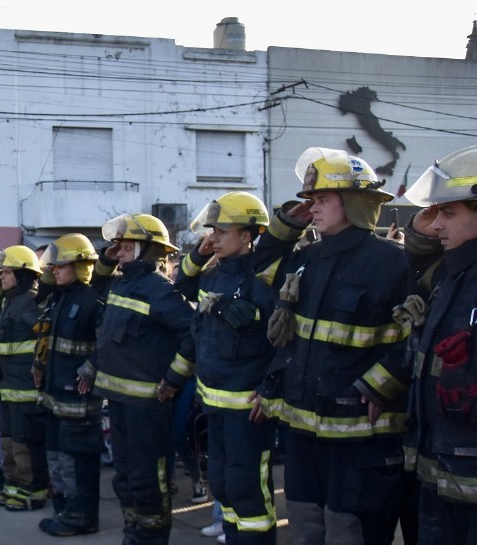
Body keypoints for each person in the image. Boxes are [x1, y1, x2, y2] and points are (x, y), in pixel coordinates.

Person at [254, 147, 410, 545]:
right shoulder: (309, 257)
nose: (314, 208)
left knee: (351, 528)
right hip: (305, 426)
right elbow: (261, 273)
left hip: (360, 432)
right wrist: (287, 226)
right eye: (312, 200)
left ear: (355, 202)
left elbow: (417, 337)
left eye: (322, 199)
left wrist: (381, 384)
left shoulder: (393, 262)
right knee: (305, 521)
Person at [175, 192, 279, 544]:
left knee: (247, 490)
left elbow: (282, 345)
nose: (213, 238)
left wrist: (269, 391)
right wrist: (198, 254)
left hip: (248, 412)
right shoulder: (213, 276)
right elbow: (182, 283)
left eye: (221, 231)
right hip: (215, 407)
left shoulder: (263, 282)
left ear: (247, 235)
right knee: (222, 484)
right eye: (211, 231)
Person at [89, 213, 196, 545]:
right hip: (120, 401)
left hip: (148, 406)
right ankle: (133, 535)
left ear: (147, 249)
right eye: (117, 246)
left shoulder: (160, 290)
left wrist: (174, 379)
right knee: (124, 478)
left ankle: (152, 538)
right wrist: (109, 258)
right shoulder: (123, 282)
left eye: (125, 246)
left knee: (148, 479)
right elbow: (96, 288)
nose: (117, 252)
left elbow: (193, 335)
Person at [398, 145, 477, 543]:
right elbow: (416, 257)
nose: (436, 225)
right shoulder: (452, 274)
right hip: (440, 470)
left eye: (448, 213)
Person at [0, 245, 49, 512]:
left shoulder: (32, 300)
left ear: (23, 274)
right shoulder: (10, 301)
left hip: (26, 385)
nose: (0, 277)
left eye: (6, 272)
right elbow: (1, 335)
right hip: (8, 385)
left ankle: (33, 491)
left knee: (26, 441)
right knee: (9, 439)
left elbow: (41, 340)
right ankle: (13, 484)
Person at [34, 234, 104, 536]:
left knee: (77, 458)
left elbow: (109, 342)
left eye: (61, 266)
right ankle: (64, 508)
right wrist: (40, 365)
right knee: (57, 453)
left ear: (81, 266)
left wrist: (91, 369)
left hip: (78, 398)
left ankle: (82, 517)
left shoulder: (92, 300)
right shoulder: (61, 299)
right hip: (55, 395)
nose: (54, 271)